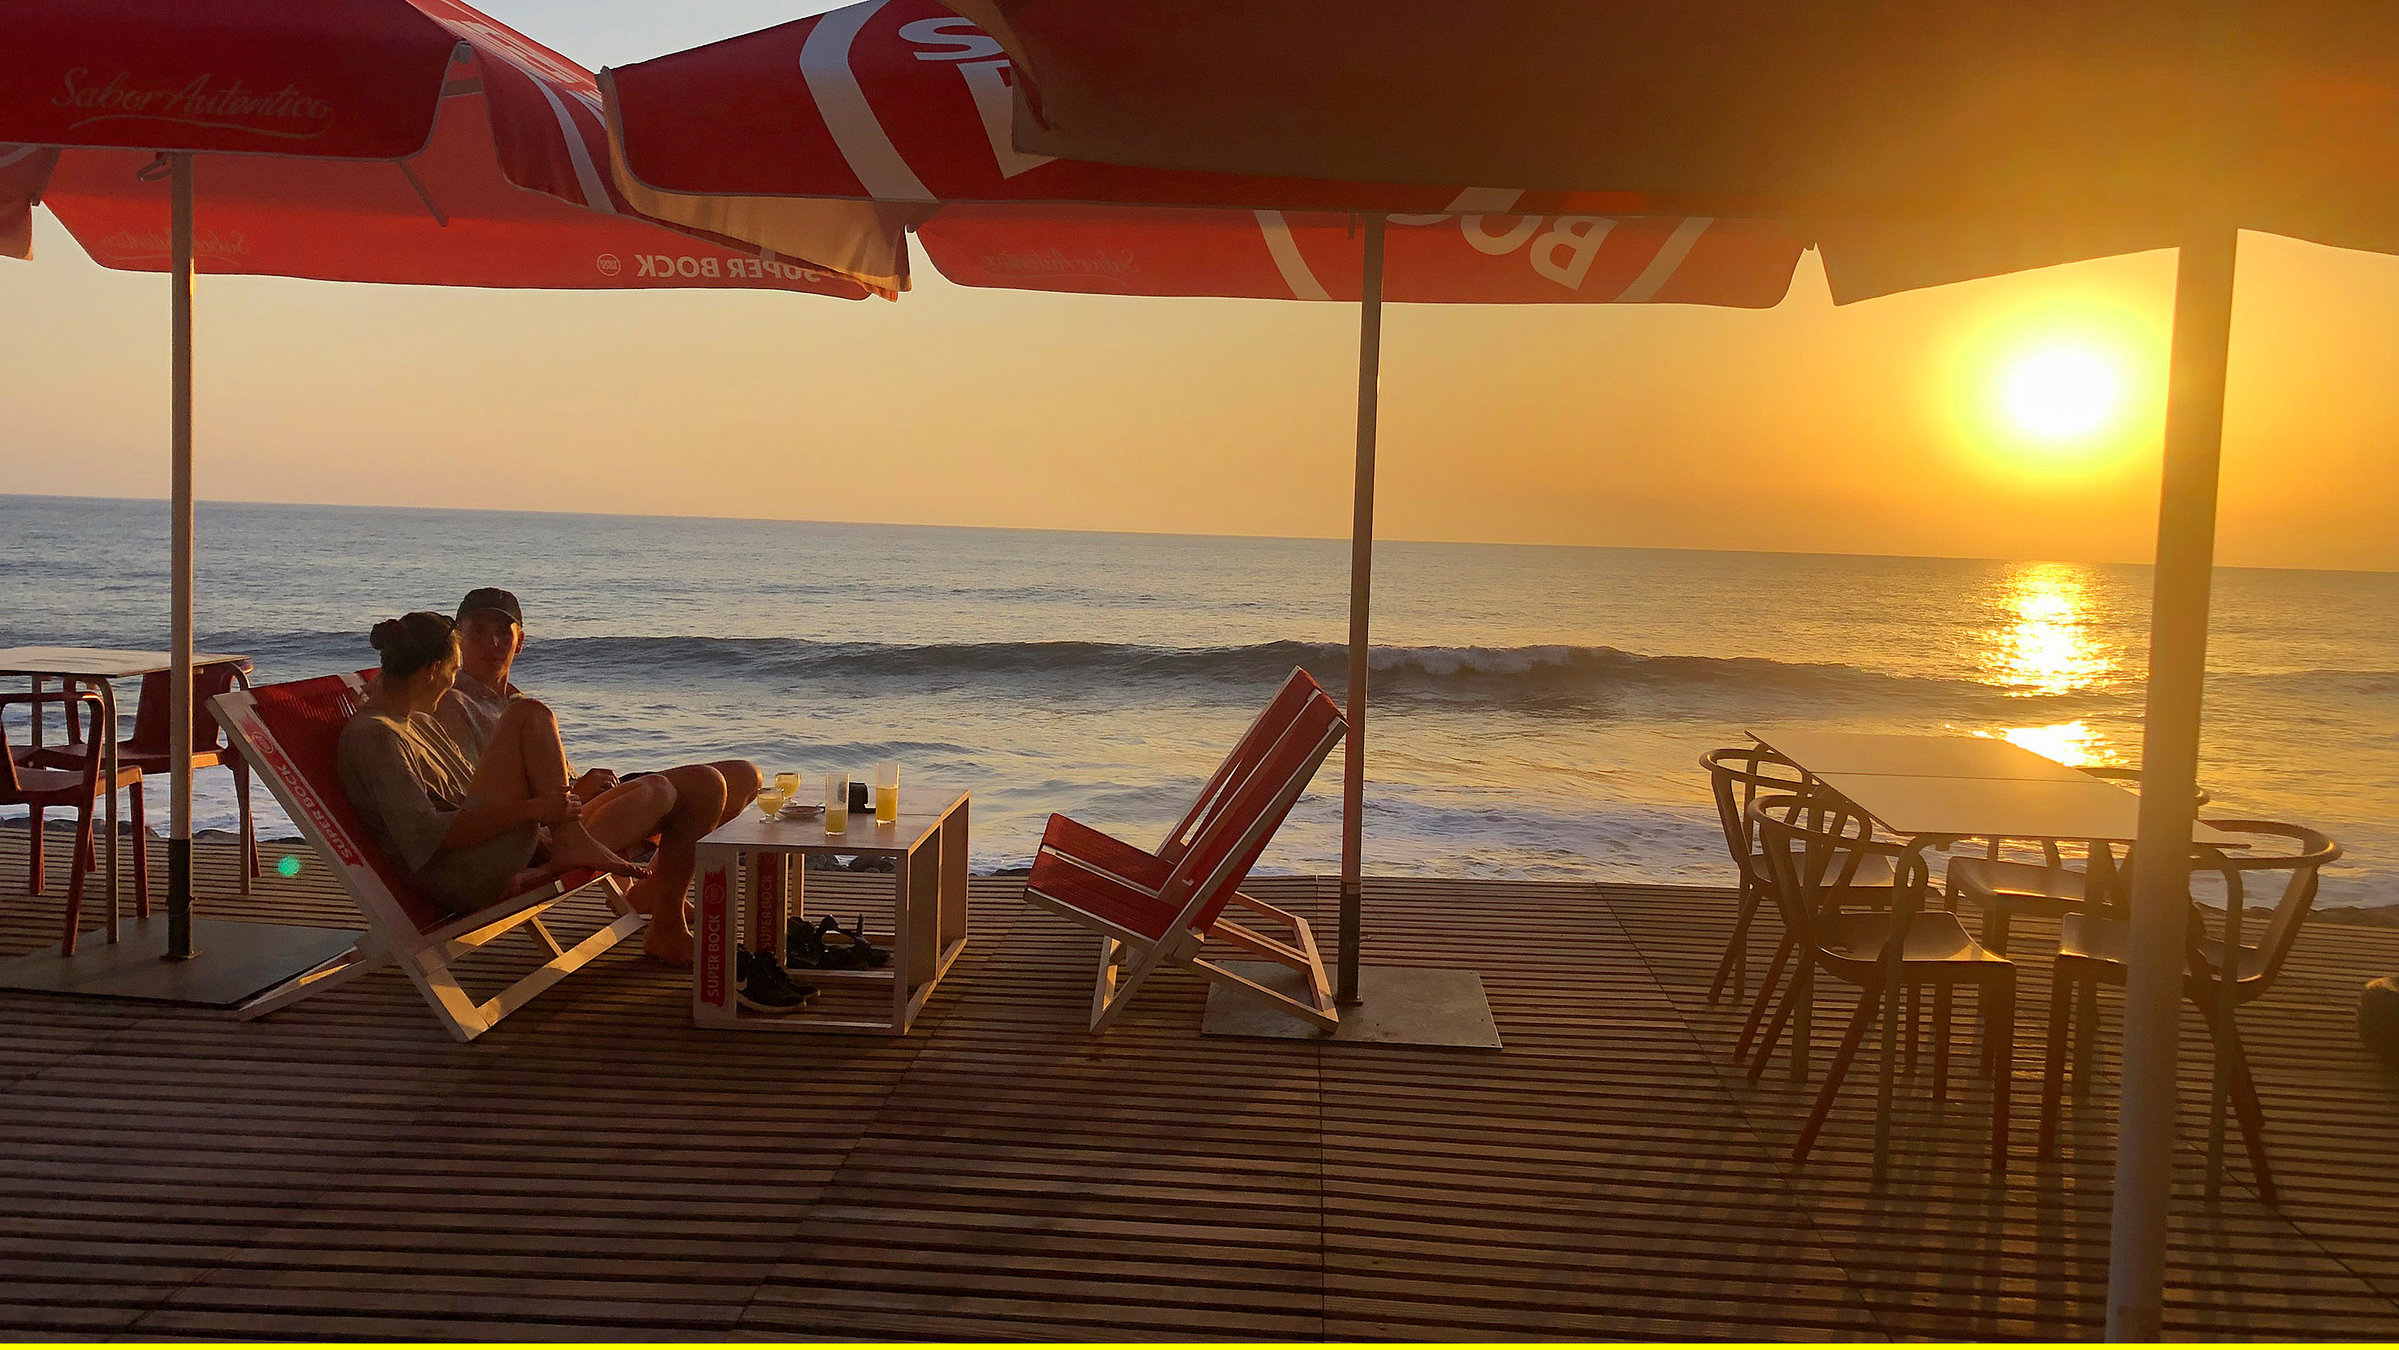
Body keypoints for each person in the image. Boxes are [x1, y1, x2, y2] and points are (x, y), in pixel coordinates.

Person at [435, 588, 766, 967]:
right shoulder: (452, 705)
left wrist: (581, 788)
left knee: (741, 777)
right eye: (478, 631)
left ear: (520, 641)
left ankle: (652, 893)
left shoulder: (512, 699)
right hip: (539, 835)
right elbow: (478, 802)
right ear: (457, 639)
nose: (492, 642)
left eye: (503, 631)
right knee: (673, 788)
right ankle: (667, 927)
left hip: (573, 810)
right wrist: (572, 794)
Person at [337, 611, 662, 917]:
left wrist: (550, 809)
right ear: (433, 671)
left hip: (494, 850)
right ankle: (566, 844)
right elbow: (430, 836)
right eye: (454, 671)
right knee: (529, 713)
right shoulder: (377, 738)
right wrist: (535, 809)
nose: (454, 682)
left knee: (665, 788)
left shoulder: (414, 721)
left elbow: (468, 793)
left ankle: (565, 847)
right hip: (464, 876)